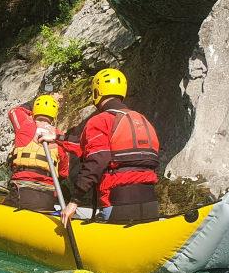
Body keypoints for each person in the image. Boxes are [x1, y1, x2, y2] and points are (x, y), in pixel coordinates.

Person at [61, 68, 160, 225]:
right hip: (151, 204)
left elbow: (95, 161)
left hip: (118, 203)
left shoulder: (100, 120)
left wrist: (74, 201)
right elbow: (85, 146)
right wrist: (59, 138)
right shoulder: (142, 120)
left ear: (97, 92)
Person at [3, 93, 72, 212]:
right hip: (48, 196)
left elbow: (14, 111)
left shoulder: (25, 125)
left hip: (21, 191)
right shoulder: (59, 137)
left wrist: (42, 100)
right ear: (54, 115)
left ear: (34, 110)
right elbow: (63, 173)